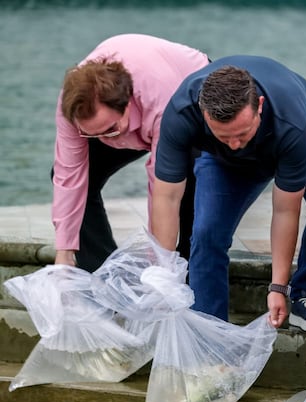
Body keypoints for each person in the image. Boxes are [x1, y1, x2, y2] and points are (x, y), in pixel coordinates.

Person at [151, 56, 306, 332]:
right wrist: (164, 277)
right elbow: (166, 198)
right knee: (206, 232)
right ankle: (209, 330)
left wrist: (278, 287)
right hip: (221, 162)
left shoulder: (292, 121)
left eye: (241, 133)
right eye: (224, 135)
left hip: (302, 131)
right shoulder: (181, 112)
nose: (235, 144)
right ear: (204, 113)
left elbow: (285, 209)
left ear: (259, 107)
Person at [52, 33, 209, 272]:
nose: (103, 140)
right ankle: (103, 275)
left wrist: (160, 266)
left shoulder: (162, 102)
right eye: (92, 134)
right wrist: (63, 257)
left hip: (192, 92)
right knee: (77, 177)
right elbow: (68, 175)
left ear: (126, 104)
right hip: (139, 102)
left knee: (188, 181)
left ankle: (189, 276)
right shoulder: (71, 105)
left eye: (109, 130)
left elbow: (162, 187)